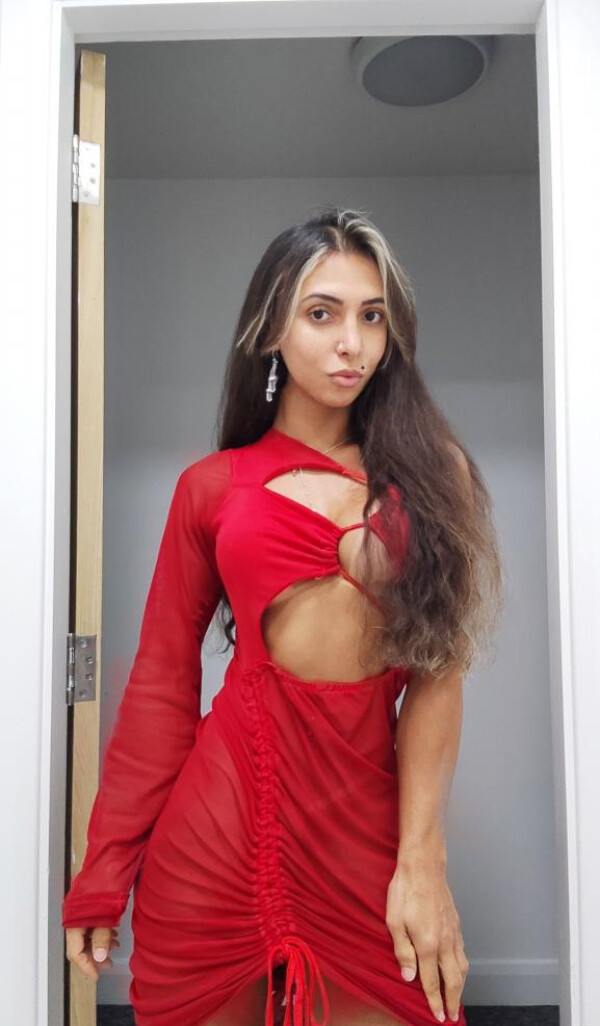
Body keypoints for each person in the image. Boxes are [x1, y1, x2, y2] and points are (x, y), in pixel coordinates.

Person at [63, 206, 503, 1026]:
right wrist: (104, 869)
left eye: (372, 317)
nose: (352, 344)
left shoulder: (430, 477)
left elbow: (439, 677)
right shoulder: (211, 487)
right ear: (271, 329)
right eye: (322, 313)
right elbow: (161, 683)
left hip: (360, 837)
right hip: (215, 838)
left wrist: (423, 861)